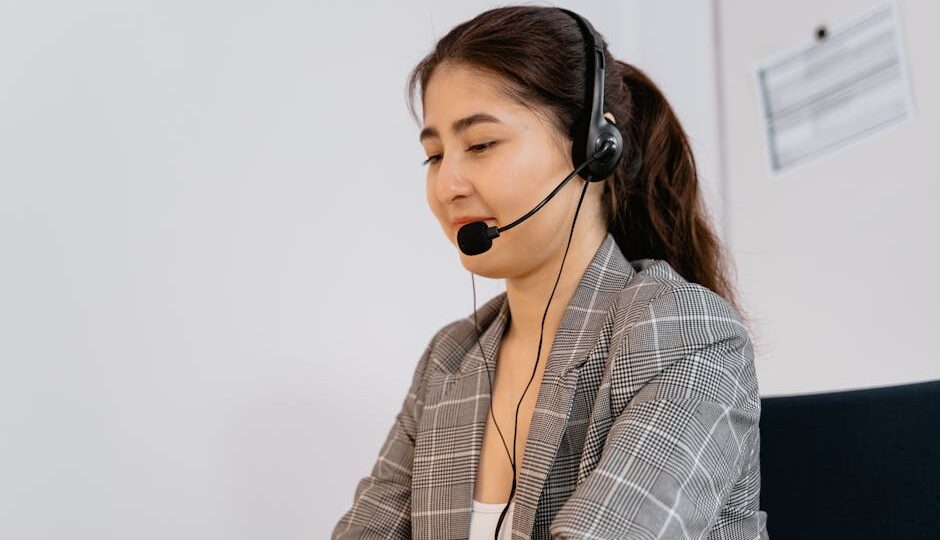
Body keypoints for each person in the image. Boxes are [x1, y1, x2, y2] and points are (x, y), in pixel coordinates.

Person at [332, 5, 769, 539]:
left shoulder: (684, 331)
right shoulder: (449, 360)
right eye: (435, 156)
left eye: (480, 145)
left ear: (593, 150)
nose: (447, 186)